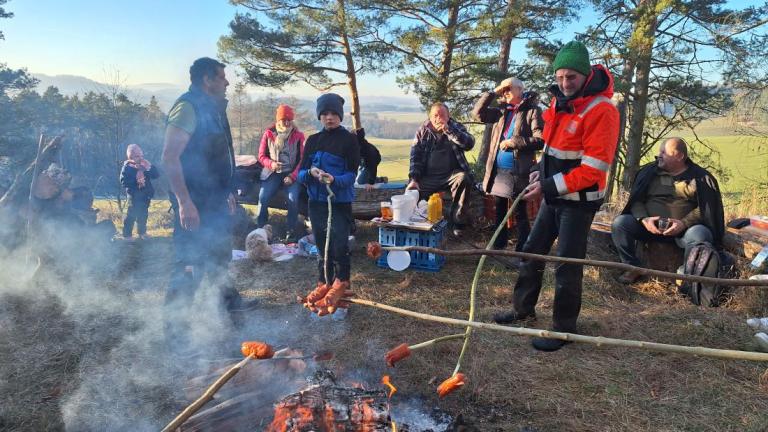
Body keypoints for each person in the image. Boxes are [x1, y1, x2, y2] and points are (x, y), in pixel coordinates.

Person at [493, 41, 620, 352]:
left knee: (566, 265)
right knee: (533, 251)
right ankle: (523, 310)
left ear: (586, 75)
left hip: (579, 203)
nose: (565, 83)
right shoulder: (559, 103)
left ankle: (563, 330)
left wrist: (548, 186)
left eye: (571, 77)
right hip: (554, 196)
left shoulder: (602, 110)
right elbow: (552, 149)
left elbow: (592, 170)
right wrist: (539, 170)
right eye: (560, 76)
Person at [161, 57, 252, 318]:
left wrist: (228, 191)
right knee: (188, 265)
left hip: (214, 198)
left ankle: (229, 305)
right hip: (194, 201)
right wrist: (184, 203)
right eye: (222, 77)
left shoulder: (212, 108)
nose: (227, 82)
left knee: (219, 257)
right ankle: (176, 334)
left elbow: (219, 157)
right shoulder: (188, 108)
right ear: (207, 80)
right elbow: (169, 157)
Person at [611, 137, 725, 283]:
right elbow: (636, 201)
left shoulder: (701, 179)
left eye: (664, 152)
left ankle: (686, 275)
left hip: (684, 232)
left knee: (701, 235)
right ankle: (632, 267)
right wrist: (644, 219)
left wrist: (683, 223)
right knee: (620, 223)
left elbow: (706, 209)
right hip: (648, 228)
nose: (659, 155)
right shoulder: (649, 172)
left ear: (679, 156)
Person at [298, 93, 359, 316]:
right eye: (325, 113)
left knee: (339, 246)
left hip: (339, 202)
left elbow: (352, 175)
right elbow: (301, 173)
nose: (329, 118)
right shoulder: (313, 141)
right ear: (319, 116)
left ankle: (341, 286)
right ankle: (323, 284)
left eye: (334, 113)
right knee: (322, 245)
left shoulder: (349, 140)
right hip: (316, 202)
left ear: (340, 116)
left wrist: (334, 180)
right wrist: (311, 173)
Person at [472, 77, 544, 252]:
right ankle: (499, 244)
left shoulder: (533, 111)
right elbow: (477, 114)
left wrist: (514, 142)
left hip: (519, 171)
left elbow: (540, 140)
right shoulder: (501, 110)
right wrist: (493, 92)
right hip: (499, 170)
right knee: (500, 209)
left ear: (520, 90)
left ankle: (523, 250)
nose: (506, 93)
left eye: (509, 89)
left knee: (520, 211)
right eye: (504, 91)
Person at [407, 102, 475, 236]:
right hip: (429, 177)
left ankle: (458, 222)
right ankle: (417, 225)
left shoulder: (456, 127)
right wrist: (414, 179)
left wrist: (448, 130)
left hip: (451, 175)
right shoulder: (422, 131)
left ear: (448, 116)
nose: (438, 118)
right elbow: (415, 157)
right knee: (413, 191)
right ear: (430, 117)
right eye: (435, 115)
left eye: (442, 115)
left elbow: (469, 143)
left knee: (464, 178)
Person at [256, 104, 305, 241]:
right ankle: (261, 228)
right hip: (272, 173)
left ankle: (291, 230)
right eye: (284, 119)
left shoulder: (298, 136)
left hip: (291, 173)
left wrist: (292, 176)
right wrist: (271, 164)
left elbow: (302, 159)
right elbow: (261, 156)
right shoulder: (268, 134)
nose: (287, 122)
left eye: (289, 119)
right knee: (263, 196)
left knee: (292, 199)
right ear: (278, 120)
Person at [120, 143, 160, 239]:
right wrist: (136, 179)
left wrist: (149, 167)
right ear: (131, 157)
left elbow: (156, 175)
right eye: (137, 156)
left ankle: (142, 233)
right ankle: (127, 234)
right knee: (131, 215)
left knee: (143, 215)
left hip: (145, 195)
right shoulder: (127, 167)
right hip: (134, 196)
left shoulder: (145, 165)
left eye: (141, 155)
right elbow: (124, 181)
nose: (140, 158)